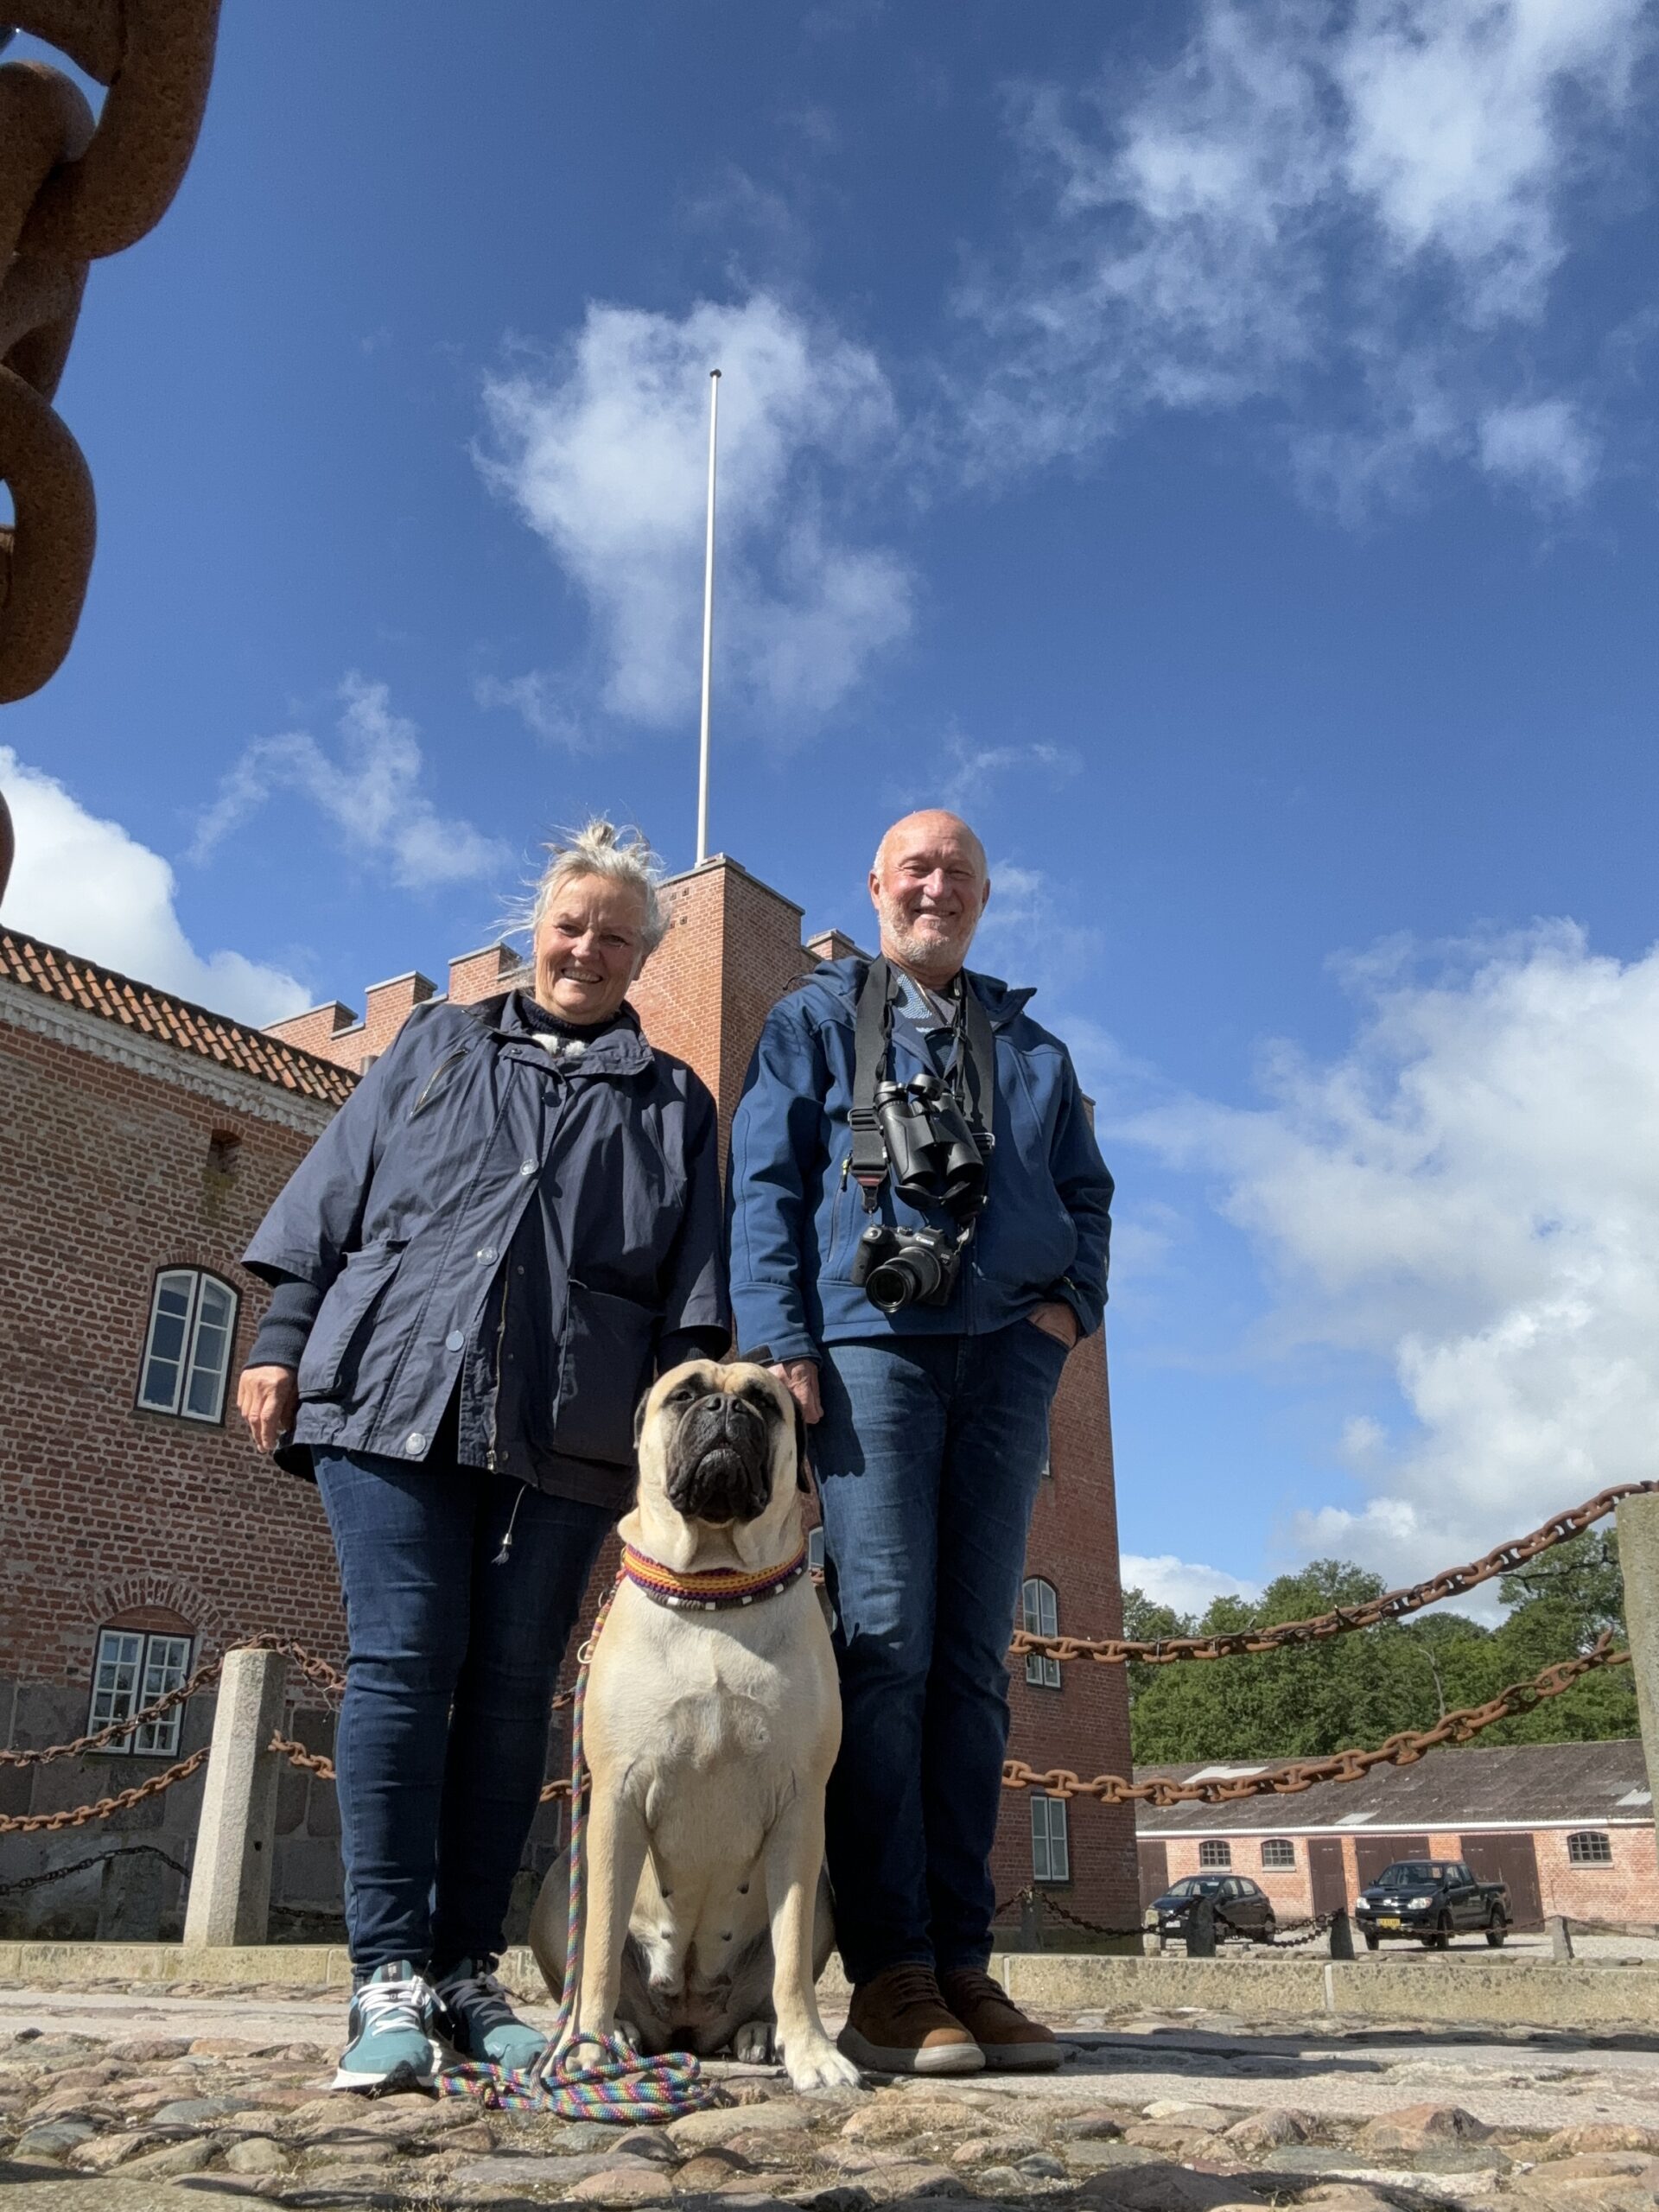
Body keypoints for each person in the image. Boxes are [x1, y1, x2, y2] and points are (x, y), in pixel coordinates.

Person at [238, 822, 725, 2091]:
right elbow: (330, 1201)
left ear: (643, 959)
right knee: (404, 1664)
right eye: (572, 925)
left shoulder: (672, 1103)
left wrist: (672, 1449)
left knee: (513, 1693)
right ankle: (385, 1976)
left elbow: (689, 1299)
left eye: (617, 938)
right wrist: (280, 1339)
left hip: (566, 1435)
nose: (588, 950)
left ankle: (468, 1972)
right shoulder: (438, 1042)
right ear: (539, 928)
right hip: (395, 1394)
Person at [728, 809, 1113, 2076]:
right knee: (884, 1646)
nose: (936, 886)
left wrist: (1070, 1311)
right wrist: (784, 1339)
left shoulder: (1036, 1046)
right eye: (916, 868)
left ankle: (964, 1963)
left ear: (985, 898)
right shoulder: (815, 1018)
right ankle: (889, 1974)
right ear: (879, 887)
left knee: (973, 1663)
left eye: (958, 872)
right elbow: (767, 1184)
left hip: (1006, 1358)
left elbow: (1090, 1192)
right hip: (871, 1349)